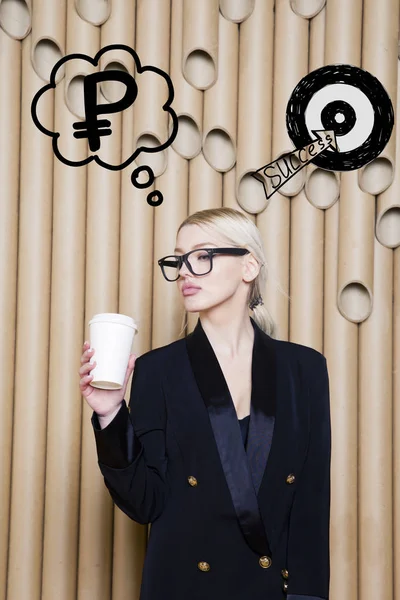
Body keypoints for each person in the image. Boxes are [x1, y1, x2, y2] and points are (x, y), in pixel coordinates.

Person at [78, 207, 331, 600]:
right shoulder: (158, 370)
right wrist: (110, 413)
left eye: (202, 256)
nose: (184, 271)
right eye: (179, 259)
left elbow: (311, 504)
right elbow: (145, 503)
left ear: (248, 266)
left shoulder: (305, 370)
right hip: (183, 587)